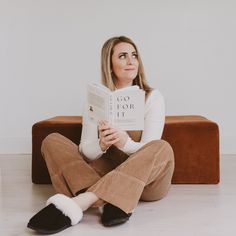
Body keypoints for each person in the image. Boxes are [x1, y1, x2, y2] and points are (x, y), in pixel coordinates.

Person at [27, 36, 175, 234]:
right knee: (51, 140)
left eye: (134, 55)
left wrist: (125, 142)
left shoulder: (152, 97)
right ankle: (110, 199)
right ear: (110, 64)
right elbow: (85, 151)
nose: (131, 61)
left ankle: (82, 201)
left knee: (163, 147)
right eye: (123, 56)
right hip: (103, 173)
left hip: (145, 183)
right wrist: (101, 144)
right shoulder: (96, 98)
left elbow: (151, 146)